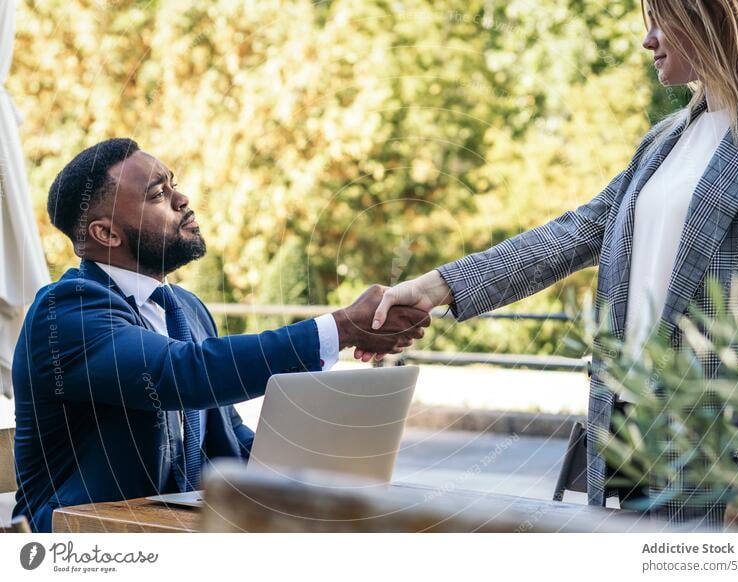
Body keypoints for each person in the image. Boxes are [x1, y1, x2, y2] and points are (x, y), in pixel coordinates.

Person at [367, 0, 738, 531]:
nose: (649, 40)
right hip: (630, 453)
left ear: (711, 19)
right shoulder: (665, 140)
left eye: (662, 22)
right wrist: (440, 286)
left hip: (726, 470)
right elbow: (576, 232)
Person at [12, 138, 430, 532]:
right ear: (107, 234)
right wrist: (339, 328)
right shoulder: (65, 311)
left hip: (180, 533)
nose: (182, 200)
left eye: (173, 184)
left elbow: (224, 434)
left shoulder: (187, 309)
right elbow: (178, 375)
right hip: (83, 543)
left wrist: (309, 473)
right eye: (157, 195)